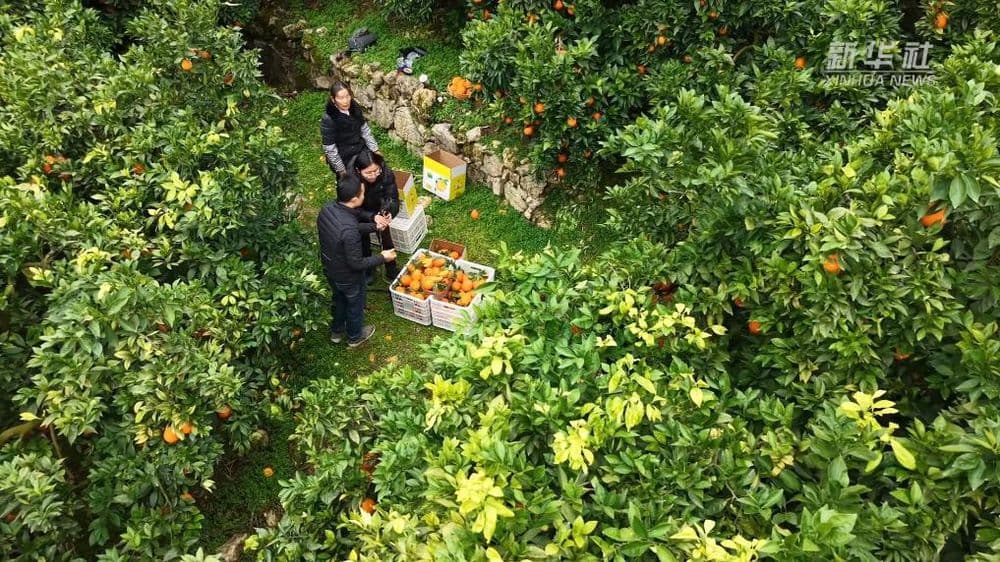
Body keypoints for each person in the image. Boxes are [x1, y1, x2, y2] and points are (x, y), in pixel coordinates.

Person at [317, 174, 396, 347]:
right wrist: (383, 257)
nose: (364, 194)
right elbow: (356, 263)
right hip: (347, 275)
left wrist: (374, 226)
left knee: (339, 299)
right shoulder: (348, 230)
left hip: (330, 267)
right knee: (355, 303)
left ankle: (336, 332)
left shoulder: (328, 208)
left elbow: (349, 230)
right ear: (354, 199)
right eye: (362, 193)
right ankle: (355, 337)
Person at [348, 149, 400, 283]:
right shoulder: (351, 179)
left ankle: (391, 267)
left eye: (376, 171)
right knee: (362, 236)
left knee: (385, 234)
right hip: (359, 208)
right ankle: (367, 268)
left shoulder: (385, 173)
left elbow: (393, 197)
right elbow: (351, 208)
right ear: (359, 171)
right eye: (368, 173)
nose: (373, 175)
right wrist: (371, 217)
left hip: (378, 205)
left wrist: (388, 211)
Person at [321, 81, 379, 178]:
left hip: (360, 149)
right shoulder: (329, 119)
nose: (345, 101)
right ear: (333, 99)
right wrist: (341, 170)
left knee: (374, 172)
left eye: (347, 96)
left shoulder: (354, 108)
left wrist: (375, 150)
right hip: (343, 155)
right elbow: (330, 148)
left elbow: (365, 130)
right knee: (351, 185)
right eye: (341, 98)